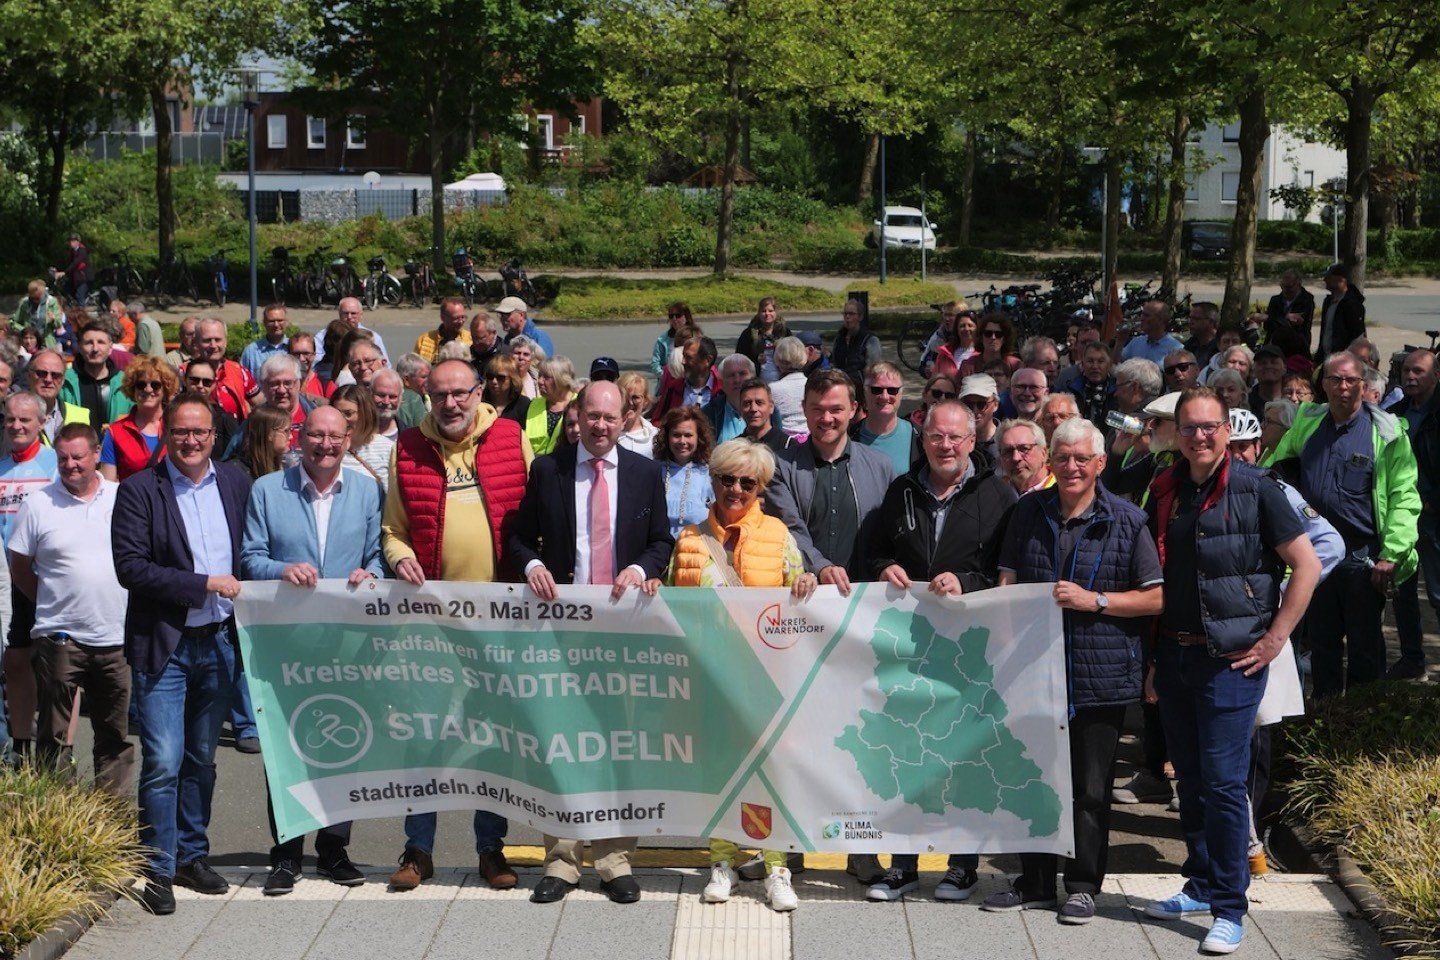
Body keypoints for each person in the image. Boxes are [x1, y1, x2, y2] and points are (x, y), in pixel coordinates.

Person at [1143, 387, 1320, 954]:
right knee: (1190, 780)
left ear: (1227, 431)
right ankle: (1199, 882)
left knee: (1222, 784)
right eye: (1189, 427)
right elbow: (1156, 579)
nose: (1199, 436)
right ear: (1177, 431)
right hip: (1174, 654)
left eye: (1209, 426)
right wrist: (1152, 659)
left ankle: (1229, 905)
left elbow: (1308, 564)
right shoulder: (1166, 488)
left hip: (1231, 663)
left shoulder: (1257, 488)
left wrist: (1274, 640)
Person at [982, 417, 1163, 925]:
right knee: (1035, 781)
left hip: (1098, 675)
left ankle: (1083, 885)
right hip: (1033, 671)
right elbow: (1008, 577)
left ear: (1100, 463)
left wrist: (1095, 601)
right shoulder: (1028, 512)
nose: (1071, 467)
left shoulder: (1127, 520)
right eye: (1062, 458)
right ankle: (1036, 883)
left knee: (1089, 788)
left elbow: (1156, 596)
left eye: (1082, 458)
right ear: (1049, 462)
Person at [508, 380, 674, 905]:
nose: (600, 426)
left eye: (610, 417)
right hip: (559, 633)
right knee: (561, 743)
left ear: (625, 419)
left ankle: (614, 859)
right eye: (591, 416)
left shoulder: (647, 474)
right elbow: (515, 536)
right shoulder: (548, 471)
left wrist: (638, 567)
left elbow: (661, 542)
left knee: (618, 745)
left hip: (621, 635)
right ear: (576, 416)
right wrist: (532, 565)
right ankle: (560, 861)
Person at [382, 358, 532, 893]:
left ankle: (491, 849)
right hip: (433, 625)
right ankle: (418, 850)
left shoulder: (512, 438)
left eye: (460, 393)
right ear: (427, 396)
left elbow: (537, 519)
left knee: (493, 741)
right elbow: (392, 529)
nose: (450, 403)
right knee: (426, 737)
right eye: (439, 394)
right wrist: (398, 558)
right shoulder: (408, 446)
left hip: (502, 624)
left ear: (478, 393)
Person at [866, 400, 1017, 903]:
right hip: (909, 643)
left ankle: (962, 865)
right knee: (907, 752)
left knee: (962, 753)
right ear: (923, 438)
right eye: (936, 436)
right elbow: (875, 550)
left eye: (956, 437)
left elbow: (1007, 570)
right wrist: (886, 565)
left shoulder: (998, 494)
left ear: (973, 441)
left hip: (970, 647)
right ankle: (904, 864)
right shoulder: (901, 490)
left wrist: (969, 581)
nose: (945, 446)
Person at [112, 392, 252, 916]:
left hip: (218, 643)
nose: (190, 441)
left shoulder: (236, 482)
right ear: (166, 436)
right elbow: (131, 568)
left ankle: (194, 855)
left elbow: (250, 554)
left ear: (215, 436)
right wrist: (202, 583)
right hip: (164, 647)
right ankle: (158, 867)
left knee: (201, 760)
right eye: (181, 432)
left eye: (200, 432)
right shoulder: (138, 491)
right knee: (164, 763)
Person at [241, 405, 383, 895]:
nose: (325, 445)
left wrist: (373, 574)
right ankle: (286, 854)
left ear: (348, 439)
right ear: (300, 438)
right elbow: (249, 557)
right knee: (287, 747)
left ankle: (333, 848)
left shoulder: (367, 491)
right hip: (286, 643)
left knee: (345, 745)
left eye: (335, 437)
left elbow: (377, 555)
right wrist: (281, 569)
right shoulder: (267, 490)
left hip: (348, 645)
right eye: (316, 436)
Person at [668, 439, 815, 912]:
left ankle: (775, 868)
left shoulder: (779, 534)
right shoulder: (689, 541)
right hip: (711, 677)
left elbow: (798, 585)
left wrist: (806, 581)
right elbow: (672, 609)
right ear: (712, 481)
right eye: (726, 479)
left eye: (747, 482)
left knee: (769, 773)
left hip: (766, 676)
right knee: (721, 772)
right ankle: (722, 862)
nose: (735, 489)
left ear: (761, 488)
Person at [1264, 351, 1420, 696]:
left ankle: (1363, 728)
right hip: (1315, 556)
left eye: (1351, 380)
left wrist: (1392, 553)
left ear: (1364, 386)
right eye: (1335, 380)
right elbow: (1274, 475)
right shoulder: (1307, 423)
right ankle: (1325, 723)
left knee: (1365, 649)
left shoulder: (1388, 434)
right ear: (1324, 385)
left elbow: (1404, 498)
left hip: (1362, 558)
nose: (1343, 387)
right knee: (1321, 645)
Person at [9, 423, 130, 794]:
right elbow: (20, 567)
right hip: (60, 637)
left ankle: (112, 824)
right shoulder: (38, 504)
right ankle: (59, 817)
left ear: (97, 454)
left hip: (116, 637)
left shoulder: (122, 497)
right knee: (53, 735)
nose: (71, 465)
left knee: (114, 737)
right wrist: (53, 604)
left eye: (78, 457)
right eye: (63, 458)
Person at [0, 393, 61, 763]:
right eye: (11, 420)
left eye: (25, 420)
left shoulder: (58, 464)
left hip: (50, 580)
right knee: (16, 663)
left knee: (60, 669)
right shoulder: (1, 466)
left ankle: (57, 751)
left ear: (41, 423)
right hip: (10, 584)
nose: (17, 426)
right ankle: (22, 748)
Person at [1386, 349, 1439, 680]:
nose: (1411, 377)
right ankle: (1411, 658)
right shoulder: (1393, 413)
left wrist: (1433, 502)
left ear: (1436, 375)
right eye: (1407, 371)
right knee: (1403, 591)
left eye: (1419, 371)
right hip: (1403, 517)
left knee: (1437, 592)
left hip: (1434, 516)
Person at [100, 355, 177, 481]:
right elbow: (108, 485)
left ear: (165, 389)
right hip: (134, 500)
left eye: (155, 385)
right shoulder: (115, 433)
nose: (148, 389)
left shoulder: (177, 427)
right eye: (141, 385)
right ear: (132, 388)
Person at [653, 407, 714, 536]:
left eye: (688, 435)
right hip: (659, 550)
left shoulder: (710, 475)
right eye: (676, 435)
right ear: (667, 437)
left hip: (697, 550)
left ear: (699, 438)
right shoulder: (653, 472)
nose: (682, 441)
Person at [62, 321, 131, 430]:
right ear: (79, 347)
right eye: (89, 343)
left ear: (110, 348)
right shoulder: (65, 383)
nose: (95, 348)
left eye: (101, 342)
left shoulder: (125, 384)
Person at [193, 318, 260, 420]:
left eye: (218, 340)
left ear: (225, 342)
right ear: (196, 343)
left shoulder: (239, 371)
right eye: (207, 340)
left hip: (234, 434)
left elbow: (260, 403)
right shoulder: (184, 373)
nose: (213, 345)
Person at [855, 361, 914, 476]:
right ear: (865, 392)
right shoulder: (849, 436)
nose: (884, 397)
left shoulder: (918, 437)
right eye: (876, 390)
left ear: (901, 394)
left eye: (892, 390)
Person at [330, 385, 393, 489]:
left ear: (365, 413)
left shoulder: (387, 448)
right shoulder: (327, 448)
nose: (341, 419)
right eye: (336, 413)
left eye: (348, 413)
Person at [652, 334, 719, 424]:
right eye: (683, 356)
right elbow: (657, 421)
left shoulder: (722, 391)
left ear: (707, 360)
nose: (683, 362)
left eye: (688, 357)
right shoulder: (673, 388)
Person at [181, 361, 240, 461]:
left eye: (207, 382)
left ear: (214, 385)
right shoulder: (170, 414)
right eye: (194, 380)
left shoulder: (224, 419)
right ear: (185, 380)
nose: (200, 386)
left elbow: (234, 457)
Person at [706, 354, 768, 444]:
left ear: (754, 378)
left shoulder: (769, 410)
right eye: (731, 375)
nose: (737, 380)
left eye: (743, 374)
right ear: (721, 383)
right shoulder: (709, 413)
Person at [524, 356, 578, 455]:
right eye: (539, 376)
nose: (540, 381)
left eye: (546, 377)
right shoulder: (532, 405)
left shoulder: (581, 405)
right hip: (536, 465)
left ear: (563, 380)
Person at [314, 297, 388, 367]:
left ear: (361, 315)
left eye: (353, 313)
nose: (349, 317)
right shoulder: (324, 335)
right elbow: (317, 359)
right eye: (345, 313)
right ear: (339, 314)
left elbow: (385, 364)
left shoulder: (373, 337)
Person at [1315, 264, 1365, 366]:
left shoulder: (1351, 303)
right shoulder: (1328, 301)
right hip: (1326, 357)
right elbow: (1325, 331)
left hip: (1344, 360)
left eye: (1329, 277)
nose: (1325, 280)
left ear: (1341, 280)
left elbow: (1357, 334)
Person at [829, 298, 881, 389]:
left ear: (860, 317)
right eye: (845, 314)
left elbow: (873, 369)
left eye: (851, 314)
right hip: (840, 386)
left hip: (860, 388)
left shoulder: (870, 340)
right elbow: (835, 363)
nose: (847, 317)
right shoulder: (839, 338)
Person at [735, 297, 790, 382]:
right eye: (764, 311)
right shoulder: (749, 333)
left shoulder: (785, 332)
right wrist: (756, 358)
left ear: (776, 313)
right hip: (756, 380)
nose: (767, 314)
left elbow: (792, 356)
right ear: (759, 313)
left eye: (771, 311)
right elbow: (739, 357)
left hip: (782, 379)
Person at [230, 405, 291, 481]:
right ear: (269, 434)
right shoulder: (236, 474)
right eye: (286, 431)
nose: (290, 436)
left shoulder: (286, 467)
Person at [1265, 269, 1316, 354]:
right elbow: (1268, 325)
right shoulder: (1275, 300)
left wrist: (1271, 318)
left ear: (1298, 285)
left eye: (1289, 287)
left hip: (1297, 346)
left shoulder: (1306, 300)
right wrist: (1285, 317)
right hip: (1275, 344)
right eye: (1283, 286)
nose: (1285, 290)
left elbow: (1296, 324)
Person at [1059, 342, 1111, 426]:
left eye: (1100, 361)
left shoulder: (1118, 391)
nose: (1095, 366)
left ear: (1109, 365)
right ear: (1082, 364)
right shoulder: (1069, 389)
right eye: (1090, 361)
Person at [958, 313, 1022, 380]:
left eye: (998, 334)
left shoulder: (1016, 365)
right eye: (988, 333)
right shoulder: (968, 366)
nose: (993, 337)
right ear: (981, 337)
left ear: (1005, 339)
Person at [998, 418, 1053, 496]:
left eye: (1024, 449)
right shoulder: (996, 495)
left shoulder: (1062, 492)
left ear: (1044, 453)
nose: (1016, 458)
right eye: (1008, 451)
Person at [1120, 300, 1184, 365]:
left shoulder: (1175, 349)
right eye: (1142, 314)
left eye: (1146, 315)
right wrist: (1120, 342)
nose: (1142, 318)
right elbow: (1116, 365)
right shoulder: (1136, 342)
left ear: (1160, 320)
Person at [239, 304, 291, 381]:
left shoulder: (294, 348)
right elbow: (242, 379)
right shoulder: (251, 352)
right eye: (271, 321)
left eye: (280, 320)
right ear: (264, 323)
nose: (276, 325)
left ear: (286, 322)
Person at [737, 379, 790, 453]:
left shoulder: (788, 446)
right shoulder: (734, 448)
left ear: (771, 407)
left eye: (759, 403)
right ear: (740, 408)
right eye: (747, 404)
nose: (753, 409)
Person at [769, 336, 808, 435]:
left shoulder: (772, 389)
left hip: (783, 441)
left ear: (778, 359)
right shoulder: (812, 385)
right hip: (810, 439)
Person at [414, 297, 472, 363]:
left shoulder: (470, 339)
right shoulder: (424, 339)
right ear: (443, 318)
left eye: (463, 317)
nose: (461, 321)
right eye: (456, 318)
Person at [616, 372, 658, 456]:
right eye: (625, 397)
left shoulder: (655, 437)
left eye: (635, 397)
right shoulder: (606, 434)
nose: (630, 403)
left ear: (645, 401)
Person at [930, 304, 978, 378]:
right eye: (962, 326)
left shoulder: (983, 353)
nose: (966, 329)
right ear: (957, 329)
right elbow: (934, 381)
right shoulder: (945, 353)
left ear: (977, 328)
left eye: (970, 325)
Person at [11, 280, 64, 347]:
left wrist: (53, 320)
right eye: (32, 298)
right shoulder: (24, 303)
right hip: (29, 344)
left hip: (47, 342)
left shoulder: (51, 302)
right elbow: (14, 323)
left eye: (37, 298)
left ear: (43, 294)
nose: (35, 301)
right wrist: (25, 331)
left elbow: (58, 325)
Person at [651, 302, 694, 378]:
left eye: (678, 316)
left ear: (687, 317)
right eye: (671, 316)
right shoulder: (662, 340)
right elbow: (655, 364)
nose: (674, 319)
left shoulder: (696, 336)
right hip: (669, 383)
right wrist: (667, 377)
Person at [483, 355, 529, 425]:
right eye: (490, 376)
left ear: (512, 379)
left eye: (500, 378)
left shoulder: (523, 404)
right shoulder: (479, 401)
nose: (494, 381)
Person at [55, 234, 92, 309]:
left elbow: (75, 263)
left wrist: (64, 272)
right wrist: (57, 270)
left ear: (78, 242)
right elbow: (68, 263)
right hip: (75, 277)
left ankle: (81, 313)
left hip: (83, 277)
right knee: (65, 289)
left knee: (80, 297)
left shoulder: (82, 250)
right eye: (70, 241)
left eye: (73, 241)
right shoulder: (72, 252)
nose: (71, 243)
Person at [467, 310, 506, 377]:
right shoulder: (469, 355)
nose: (476, 342)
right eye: (474, 338)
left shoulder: (506, 355)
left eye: (481, 338)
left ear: (493, 333)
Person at [508, 335, 544, 399]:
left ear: (532, 358)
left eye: (526, 354)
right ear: (510, 355)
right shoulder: (501, 378)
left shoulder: (538, 379)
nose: (521, 357)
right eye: (517, 353)